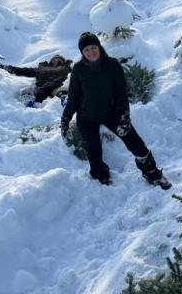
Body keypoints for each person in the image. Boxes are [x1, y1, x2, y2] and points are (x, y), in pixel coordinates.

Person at [60, 33, 171, 189]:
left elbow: (121, 94)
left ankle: (151, 172)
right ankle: (100, 175)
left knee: (135, 142)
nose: (91, 52)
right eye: (86, 50)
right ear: (82, 53)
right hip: (86, 116)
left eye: (93, 47)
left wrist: (125, 116)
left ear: (99, 46)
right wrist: (65, 119)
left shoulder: (112, 65)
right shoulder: (78, 69)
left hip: (110, 112)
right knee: (93, 150)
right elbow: (73, 97)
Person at [3, 54, 72, 105]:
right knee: (28, 90)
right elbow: (25, 71)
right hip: (41, 88)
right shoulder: (41, 69)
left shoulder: (65, 68)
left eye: (59, 60)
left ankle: (64, 99)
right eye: (54, 59)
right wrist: (9, 68)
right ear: (51, 61)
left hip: (56, 86)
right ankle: (28, 102)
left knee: (61, 90)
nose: (56, 61)